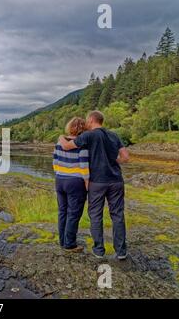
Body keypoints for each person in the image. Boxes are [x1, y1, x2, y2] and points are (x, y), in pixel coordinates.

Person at [58, 110, 130, 260]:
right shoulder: (114, 135)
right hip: (116, 180)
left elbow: (66, 146)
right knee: (117, 215)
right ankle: (121, 251)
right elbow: (125, 157)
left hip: (97, 182)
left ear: (91, 120)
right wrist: (111, 160)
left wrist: (60, 137)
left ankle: (98, 250)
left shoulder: (89, 135)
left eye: (87, 120)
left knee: (96, 215)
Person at [53, 117, 89, 253]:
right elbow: (84, 165)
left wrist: (59, 174)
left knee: (62, 212)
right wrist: (87, 182)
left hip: (60, 180)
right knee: (73, 214)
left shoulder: (59, 142)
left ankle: (62, 241)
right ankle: (69, 244)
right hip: (75, 182)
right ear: (83, 128)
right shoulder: (82, 144)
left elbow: (55, 162)